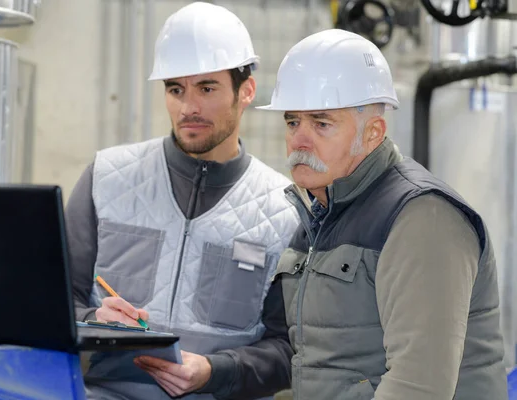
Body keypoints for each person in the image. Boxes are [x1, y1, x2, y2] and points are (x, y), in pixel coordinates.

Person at [253, 29, 508, 400]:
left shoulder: (423, 218)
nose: (299, 140)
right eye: (293, 122)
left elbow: (418, 386)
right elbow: (319, 364)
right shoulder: (320, 219)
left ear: (372, 133)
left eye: (321, 123)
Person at [65, 2, 300, 399]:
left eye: (206, 88)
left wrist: (216, 370)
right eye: (176, 89)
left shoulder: (285, 211)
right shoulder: (106, 178)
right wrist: (93, 319)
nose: (188, 107)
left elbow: (289, 350)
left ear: (246, 91)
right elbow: (51, 304)